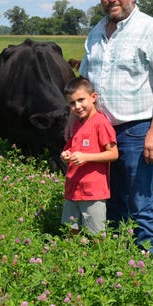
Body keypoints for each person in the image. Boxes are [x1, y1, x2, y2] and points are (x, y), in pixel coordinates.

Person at [78, 0, 153, 253]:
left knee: (141, 199)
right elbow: (85, 83)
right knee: (109, 197)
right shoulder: (95, 33)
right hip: (101, 130)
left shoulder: (152, 30)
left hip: (137, 130)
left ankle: (146, 263)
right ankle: (118, 257)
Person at [60, 77, 118, 235]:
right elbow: (71, 150)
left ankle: (98, 259)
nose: (77, 106)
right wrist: (65, 155)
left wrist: (86, 157)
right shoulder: (78, 124)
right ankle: (71, 258)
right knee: (70, 230)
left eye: (81, 100)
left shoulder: (100, 122)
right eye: (72, 103)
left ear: (93, 97)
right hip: (73, 188)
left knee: (95, 234)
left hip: (93, 191)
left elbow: (113, 153)